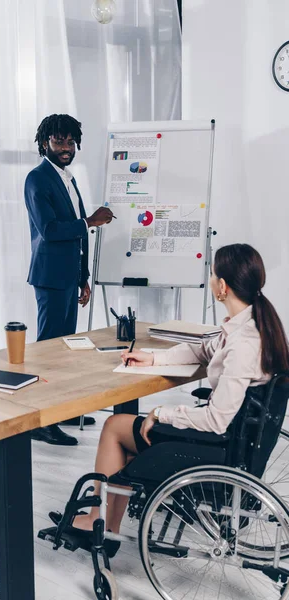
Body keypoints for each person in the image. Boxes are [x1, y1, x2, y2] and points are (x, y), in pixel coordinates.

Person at [48, 243, 289, 539]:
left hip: (218, 446)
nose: (211, 280)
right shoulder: (251, 327)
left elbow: (216, 420)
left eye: (212, 275)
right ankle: (108, 526)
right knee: (130, 433)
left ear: (222, 287)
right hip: (234, 442)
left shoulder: (244, 344)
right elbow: (203, 350)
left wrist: (162, 413)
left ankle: (99, 521)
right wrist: (154, 358)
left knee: (115, 427)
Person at [25, 114, 113, 446]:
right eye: (59, 141)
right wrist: (90, 220)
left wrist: (83, 277)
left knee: (64, 350)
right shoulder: (37, 179)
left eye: (70, 141)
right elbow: (49, 231)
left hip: (68, 276)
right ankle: (41, 421)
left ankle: (62, 411)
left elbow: (76, 232)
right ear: (44, 143)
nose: (66, 147)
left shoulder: (68, 178)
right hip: (49, 277)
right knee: (48, 350)